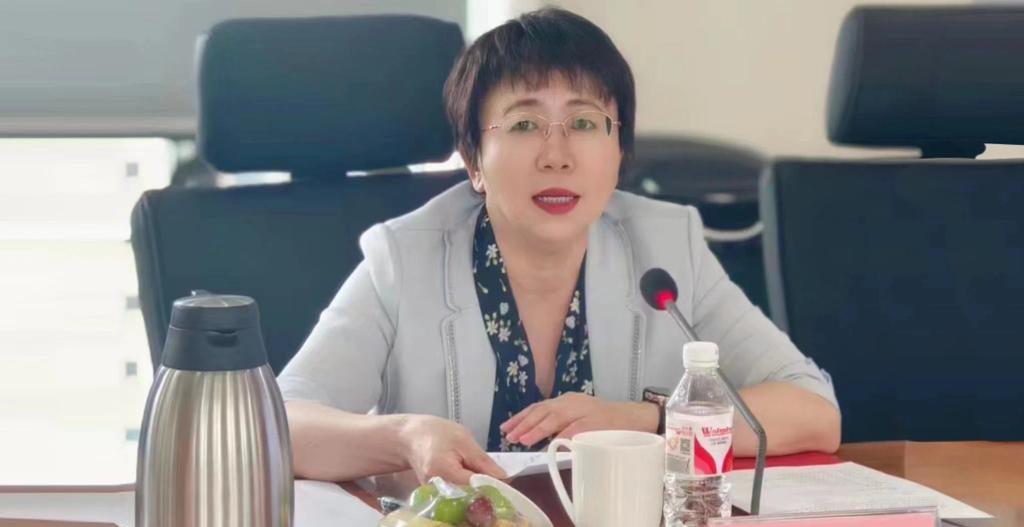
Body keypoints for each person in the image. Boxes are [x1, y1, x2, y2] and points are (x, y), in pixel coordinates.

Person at [277, 8, 840, 485]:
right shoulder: (404, 259)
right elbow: (279, 426)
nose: (557, 156)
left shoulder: (669, 248)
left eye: (585, 123)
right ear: (474, 161)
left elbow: (813, 410)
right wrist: (405, 436)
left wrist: (649, 420)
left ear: (619, 151)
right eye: (524, 125)